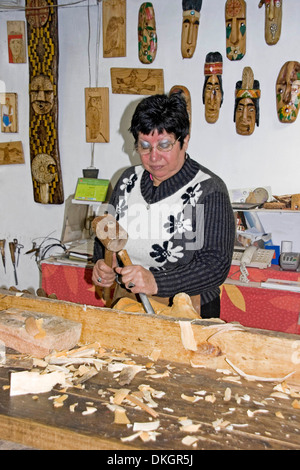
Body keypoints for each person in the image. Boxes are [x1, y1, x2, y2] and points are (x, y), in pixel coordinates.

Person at [92, 93, 235, 318]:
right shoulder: (128, 180)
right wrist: (102, 265)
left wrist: (156, 282)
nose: (154, 156)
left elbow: (215, 265)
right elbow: (106, 235)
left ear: (184, 140)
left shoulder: (207, 190)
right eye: (145, 146)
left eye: (164, 145)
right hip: (128, 302)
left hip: (186, 307)